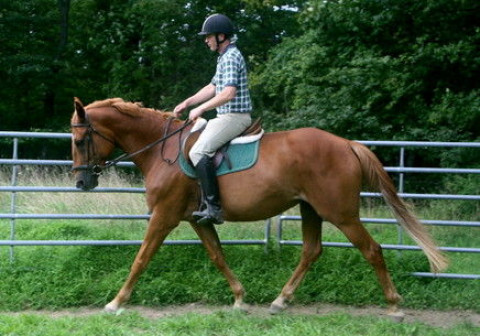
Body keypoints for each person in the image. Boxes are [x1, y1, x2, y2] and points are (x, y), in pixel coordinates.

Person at [174, 13, 252, 225]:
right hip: (225, 116)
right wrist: (187, 102)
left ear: (221, 36)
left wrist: (199, 110)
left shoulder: (231, 56)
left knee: (198, 151)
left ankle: (213, 208)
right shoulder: (224, 57)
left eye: (208, 36)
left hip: (234, 117)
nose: (205, 40)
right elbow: (213, 87)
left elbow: (228, 93)